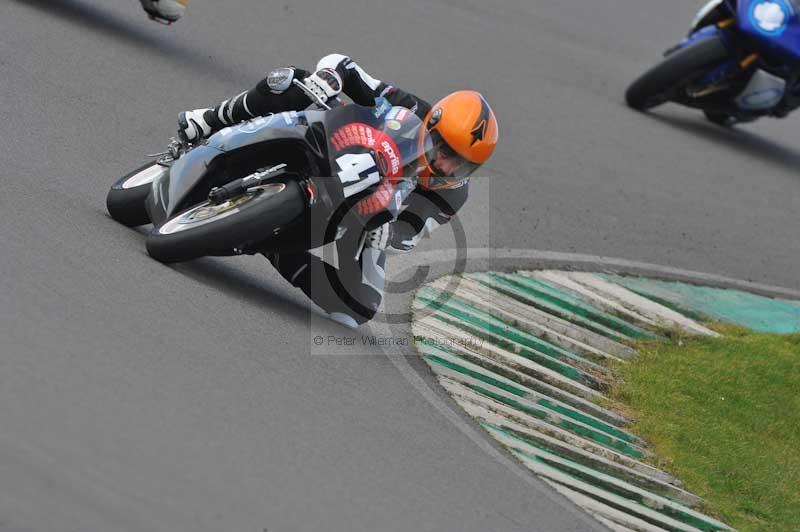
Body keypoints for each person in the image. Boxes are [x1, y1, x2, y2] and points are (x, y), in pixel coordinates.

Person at [177, 54, 499, 327]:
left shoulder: (452, 194)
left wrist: (386, 234)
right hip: (334, 148)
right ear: (432, 124)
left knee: (361, 305)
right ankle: (208, 120)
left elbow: (407, 234)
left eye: (460, 164)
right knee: (291, 82)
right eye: (443, 149)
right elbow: (344, 66)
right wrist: (329, 78)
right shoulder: (412, 108)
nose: (444, 166)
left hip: (366, 212)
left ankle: (264, 239)